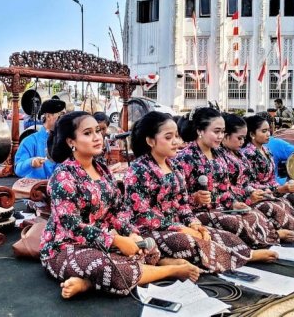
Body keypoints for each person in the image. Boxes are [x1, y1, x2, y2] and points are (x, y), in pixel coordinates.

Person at [40, 111, 198, 299]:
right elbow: (71, 225)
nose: (97, 137)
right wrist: (115, 240)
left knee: (147, 247)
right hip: (65, 246)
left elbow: (117, 211)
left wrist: (129, 232)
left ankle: (89, 283)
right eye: (88, 133)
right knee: (109, 268)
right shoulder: (63, 176)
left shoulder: (103, 169)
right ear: (70, 142)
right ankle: (170, 270)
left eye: (98, 131)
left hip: (101, 240)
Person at [125, 111, 252, 273]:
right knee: (187, 242)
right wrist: (180, 228)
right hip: (149, 230)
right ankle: (164, 261)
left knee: (219, 235)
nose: (176, 142)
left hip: (178, 224)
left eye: (176, 136)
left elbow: (183, 204)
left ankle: (243, 254)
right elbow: (142, 215)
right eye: (168, 137)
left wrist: (194, 223)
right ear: (150, 141)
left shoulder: (174, 166)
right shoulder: (138, 170)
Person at [174, 107, 280, 256]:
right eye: (216, 131)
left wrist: (234, 203)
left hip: (222, 207)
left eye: (222, 132)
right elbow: (178, 197)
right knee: (235, 223)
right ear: (200, 131)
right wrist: (195, 198)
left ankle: (270, 240)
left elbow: (226, 188)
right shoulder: (185, 157)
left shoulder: (219, 154)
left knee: (253, 214)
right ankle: (249, 254)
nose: (220, 136)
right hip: (197, 212)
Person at [220, 113, 294, 239]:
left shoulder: (245, 154)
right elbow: (228, 187)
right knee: (265, 209)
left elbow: (245, 183)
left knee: (287, 199)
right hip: (229, 202)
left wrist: (273, 189)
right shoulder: (245, 153)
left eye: (269, 130)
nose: (268, 134)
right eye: (264, 131)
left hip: (245, 196)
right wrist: (250, 196)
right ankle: (274, 235)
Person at [14, 99, 65, 179]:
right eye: (61, 115)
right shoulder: (29, 141)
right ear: (48, 116)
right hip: (37, 189)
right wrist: (31, 162)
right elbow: (18, 170)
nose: (64, 118)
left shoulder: (66, 141)